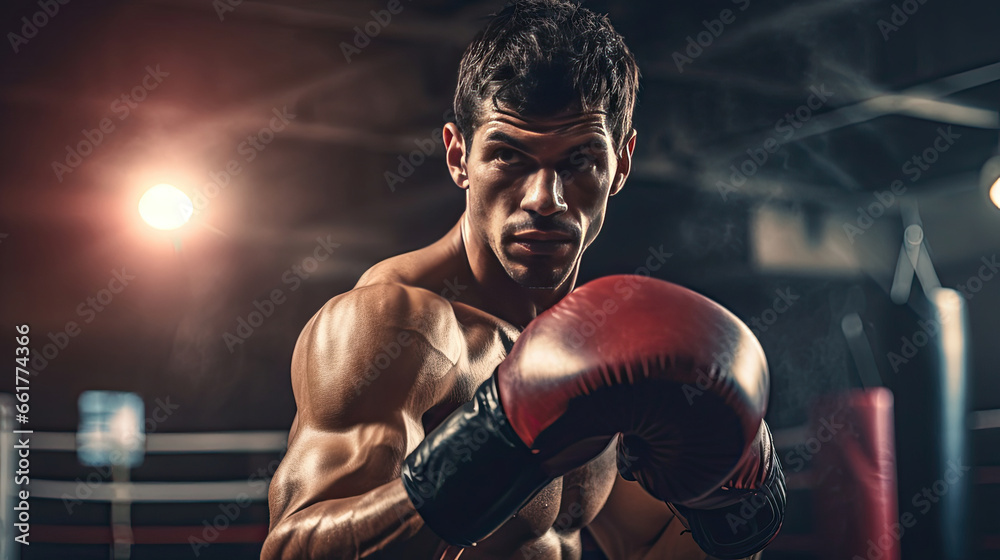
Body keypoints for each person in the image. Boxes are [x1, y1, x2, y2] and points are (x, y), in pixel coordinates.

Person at [261, 2, 784, 559]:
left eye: (579, 160)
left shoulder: (604, 354)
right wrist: (496, 452)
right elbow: (292, 553)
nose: (544, 199)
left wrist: (730, 510)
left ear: (623, 164)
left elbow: (652, 546)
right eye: (509, 156)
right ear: (459, 156)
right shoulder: (397, 327)